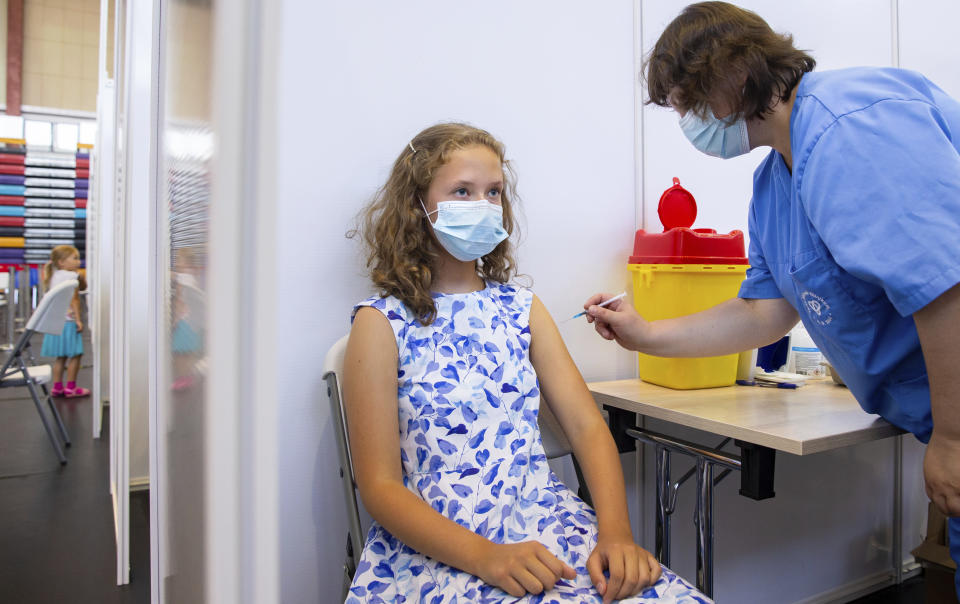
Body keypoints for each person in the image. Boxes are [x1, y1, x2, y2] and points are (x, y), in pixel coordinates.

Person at [584, 2, 960, 597]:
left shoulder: (850, 125)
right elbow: (764, 313)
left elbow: (945, 283)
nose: (686, 121)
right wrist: (645, 332)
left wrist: (954, 439)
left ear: (732, 73)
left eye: (685, 103)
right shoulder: (773, 184)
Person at [343, 123, 708, 603]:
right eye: (462, 191)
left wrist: (616, 534)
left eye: (493, 192)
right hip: (437, 543)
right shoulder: (382, 324)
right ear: (417, 206)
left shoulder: (521, 309)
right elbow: (380, 487)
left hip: (544, 517)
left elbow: (586, 428)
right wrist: (486, 557)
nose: (482, 205)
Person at [41, 245, 90, 398]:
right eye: (75, 258)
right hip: (69, 321)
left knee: (60, 357)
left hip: (56, 321)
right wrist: (78, 319)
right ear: (61, 262)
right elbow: (75, 299)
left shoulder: (53, 275)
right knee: (76, 355)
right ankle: (71, 387)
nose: (78, 261)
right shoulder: (71, 277)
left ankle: (57, 387)